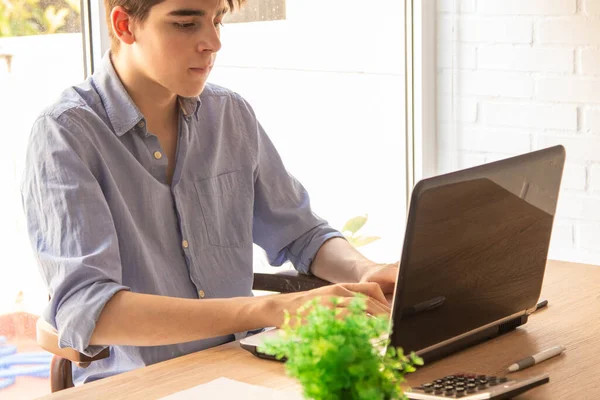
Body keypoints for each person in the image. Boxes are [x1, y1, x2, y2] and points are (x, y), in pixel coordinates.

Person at [21, 0, 398, 384]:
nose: (213, 42)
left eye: (218, 21)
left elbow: (301, 233)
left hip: (247, 373)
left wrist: (368, 270)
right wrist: (270, 309)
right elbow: (91, 309)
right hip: (143, 385)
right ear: (124, 26)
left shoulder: (229, 114)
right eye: (186, 24)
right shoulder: (65, 134)